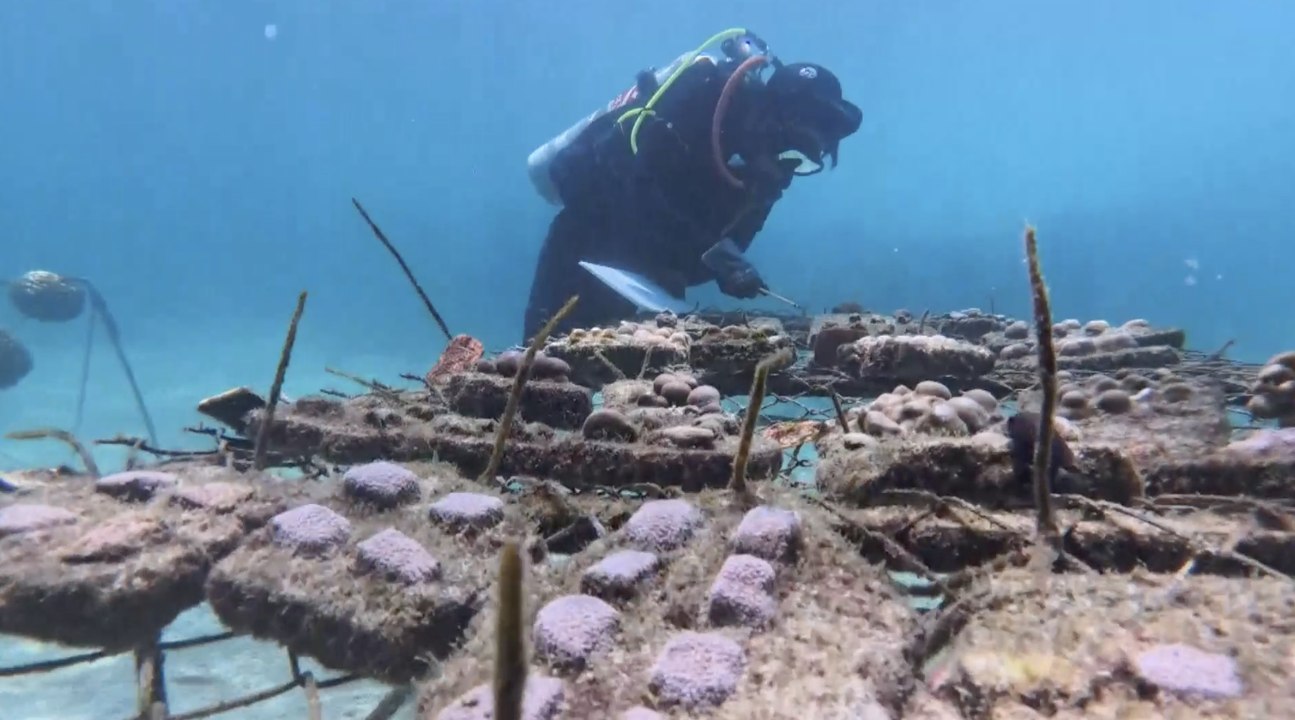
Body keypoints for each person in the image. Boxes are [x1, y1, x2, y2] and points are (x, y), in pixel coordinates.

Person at [522, 33, 863, 340]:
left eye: (804, 163)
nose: (787, 169)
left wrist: (728, 271)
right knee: (544, 365)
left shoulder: (763, 178)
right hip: (586, 242)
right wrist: (711, 252)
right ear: (773, 122)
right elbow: (628, 183)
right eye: (792, 151)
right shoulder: (698, 98)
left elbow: (715, 252)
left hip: (650, 281)